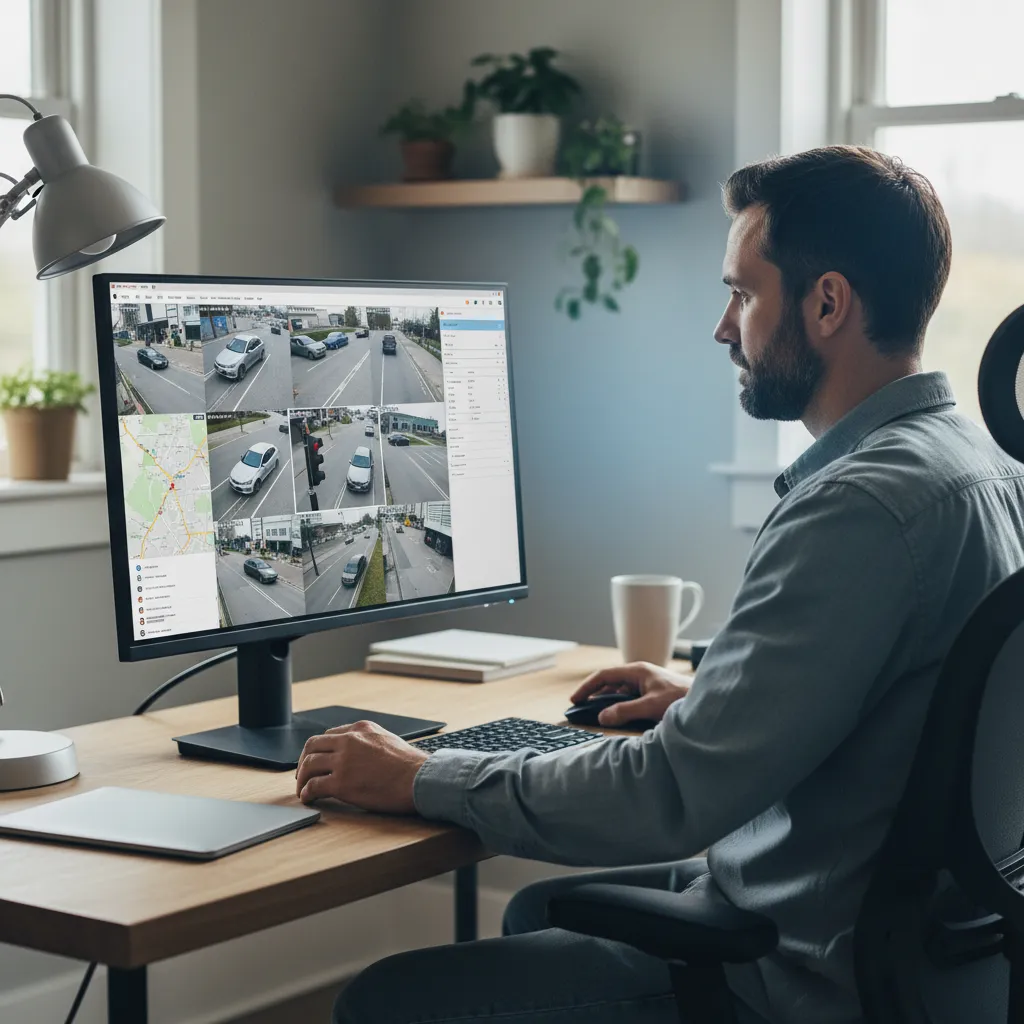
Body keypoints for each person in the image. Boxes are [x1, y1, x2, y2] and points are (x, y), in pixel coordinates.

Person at [295, 147, 1024, 1024]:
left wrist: (422, 776)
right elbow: (924, 705)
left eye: (744, 294)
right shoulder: (978, 465)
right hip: (936, 958)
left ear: (827, 303)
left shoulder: (859, 507)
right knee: (535, 914)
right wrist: (713, 696)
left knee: (387, 1001)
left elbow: (668, 796)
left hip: (802, 974)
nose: (725, 327)